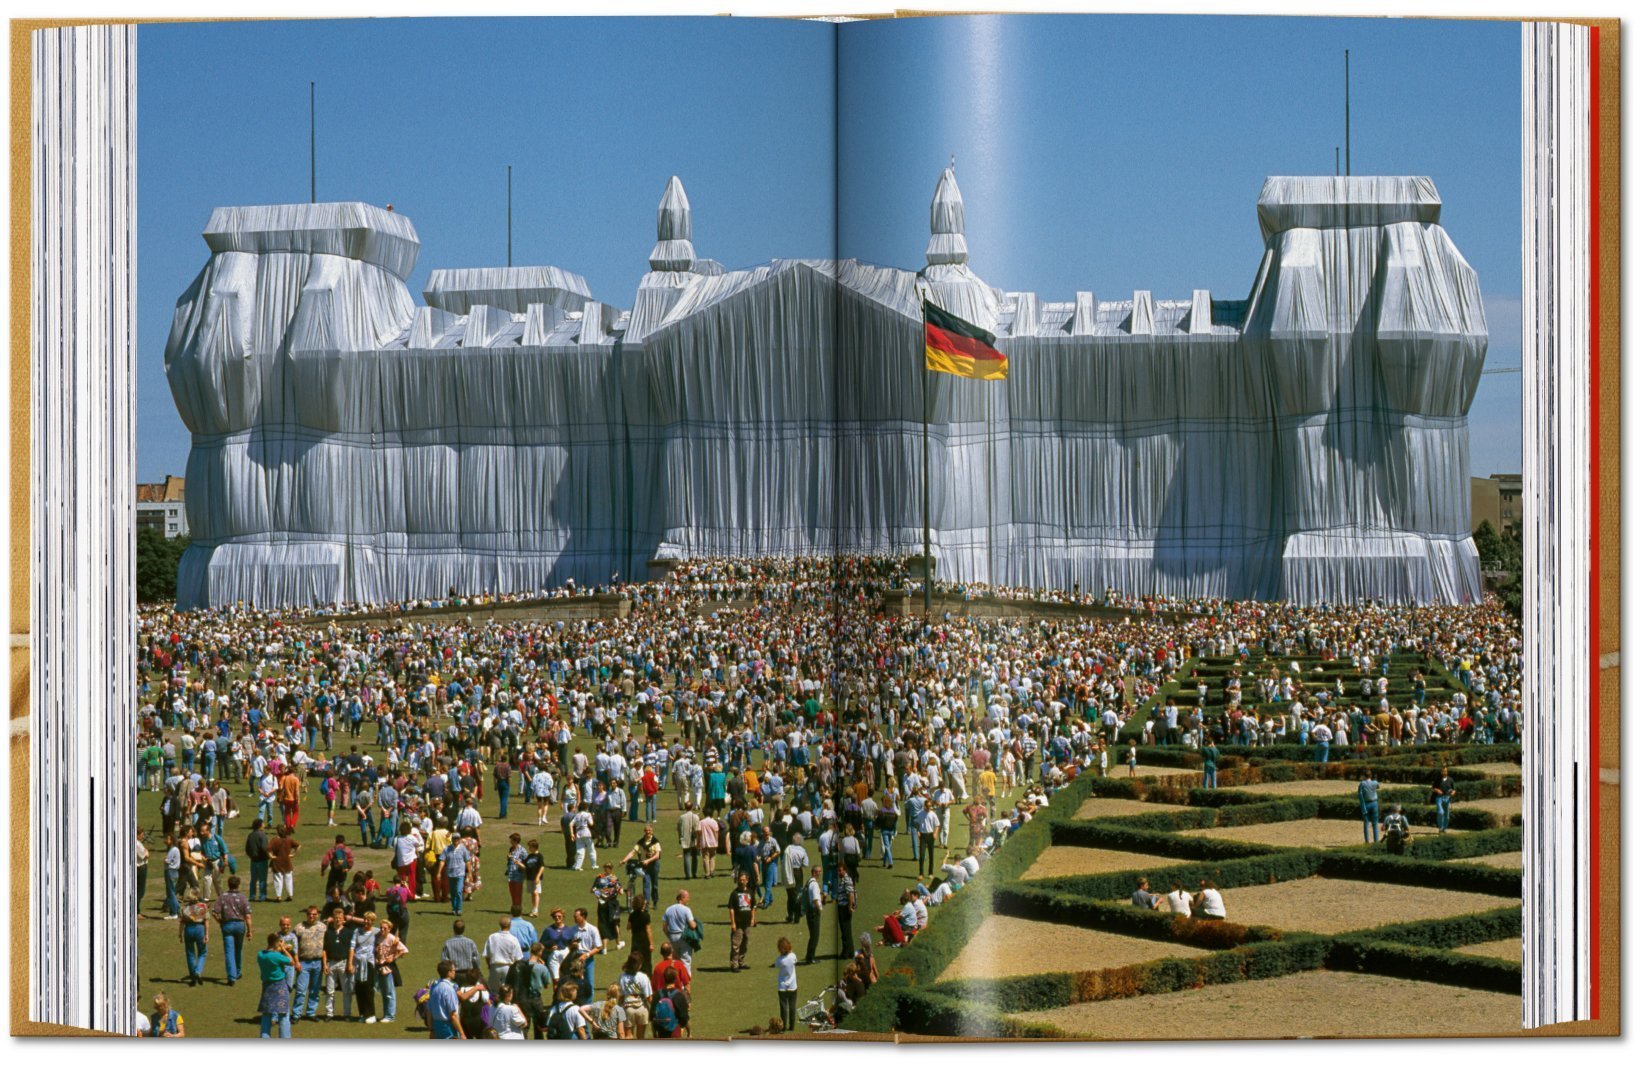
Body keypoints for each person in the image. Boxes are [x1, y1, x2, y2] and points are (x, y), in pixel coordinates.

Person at [211, 874, 251, 985]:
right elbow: (248, 916)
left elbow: (214, 912)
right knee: (238, 949)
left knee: (229, 951)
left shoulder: (222, 897)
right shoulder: (243, 897)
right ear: (238, 885)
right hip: (240, 925)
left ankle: (231, 977)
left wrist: (220, 921)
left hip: (227, 925)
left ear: (228, 885)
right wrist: (249, 931)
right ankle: (238, 971)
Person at [255, 932, 294, 1038]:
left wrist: (279, 948)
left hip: (267, 987)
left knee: (266, 1014)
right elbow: (291, 962)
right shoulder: (277, 956)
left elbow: (270, 953)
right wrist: (284, 949)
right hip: (280, 986)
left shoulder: (260, 954)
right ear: (277, 943)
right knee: (283, 1014)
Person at [321, 906, 356, 1020]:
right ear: (333, 918)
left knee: (346, 990)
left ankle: (347, 1014)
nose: (338, 920)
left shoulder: (349, 932)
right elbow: (324, 950)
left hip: (343, 963)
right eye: (336, 917)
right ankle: (329, 1014)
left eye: (340, 918)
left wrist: (350, 964)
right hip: (331, 963)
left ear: (343, 919)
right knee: (330, 991)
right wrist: (325, 964)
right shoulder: (328, 932)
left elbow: (352, 949)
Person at [373, 918, 409, 1024]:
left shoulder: (392, 938)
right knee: (383, 992)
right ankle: (386, 1015)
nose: (382, 930)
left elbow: (404, 950)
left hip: (387, 967)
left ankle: (390, 1016)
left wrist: (393, 957)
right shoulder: (378, 937)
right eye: (381, 928)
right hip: (379, 966)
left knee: (389, 992)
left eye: (385, 928)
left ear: (389, 929)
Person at [661, 889, 698, 971]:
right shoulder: (686, 909)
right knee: (686, 961)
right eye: (687, 897)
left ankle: (675, 977)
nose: (688, 899)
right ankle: (686, 979)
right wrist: (696, 924)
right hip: (683, 937)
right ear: (682, 898)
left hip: (672, 937)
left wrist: (670, 936)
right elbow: (692, 926)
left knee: (675, 960)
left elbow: (664, 928)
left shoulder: (669, 909)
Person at [178, 893, 211, 986]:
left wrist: (180, 934)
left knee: (190, 953)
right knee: (202, 952)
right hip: (200, 929)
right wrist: (206, 934)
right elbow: (206, 921)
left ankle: (193, 977)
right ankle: (198, 971)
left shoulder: (184, 908)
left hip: (188, 929)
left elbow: (181, 923)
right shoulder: (203, 906)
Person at [426, 960, 463, 1039]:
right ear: (449, 973)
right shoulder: (449, 989)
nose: (455, 972)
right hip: (448, 1028)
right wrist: (462, 1033)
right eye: (453, 970)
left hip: (436, 1026)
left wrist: (431, 1029)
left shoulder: (434, 987)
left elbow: (429, 1010)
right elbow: (453, 1015)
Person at [774, 935, 798, 1032]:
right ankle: (792, 1026)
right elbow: (795, 961)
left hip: (782, 986)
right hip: (792, 985)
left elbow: (776, 965)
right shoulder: (793, 956)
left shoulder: (780, 960)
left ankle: (783, 1027)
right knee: (792, 1006)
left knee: (783, 1008)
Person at [1431, 765, 1457, 834]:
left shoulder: (1450, 779)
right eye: (1443, 771)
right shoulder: (1437, 779)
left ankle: (1444, 829)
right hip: (1439, 798)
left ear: (1447, 772)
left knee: (1447, 816)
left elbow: (1454, 789)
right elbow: (1433, 788)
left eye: (1445, 771)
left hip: (1447, 798)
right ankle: (1440, 828)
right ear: (1441, 772)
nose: (1444, 772)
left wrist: (1453, 793)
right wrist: (1437, 790)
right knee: (1440, 812)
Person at [1358, 770, 1382, 842]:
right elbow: (1378, 787)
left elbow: (1359, 794)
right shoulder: (1375, 782)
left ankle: (1367, 841)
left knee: (1366, 823)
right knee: (1375, 823)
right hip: (1374, 803)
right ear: (1371, 776)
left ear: (1364, 776)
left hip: (1366, 804)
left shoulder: (1362, 784)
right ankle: (1376, 840)